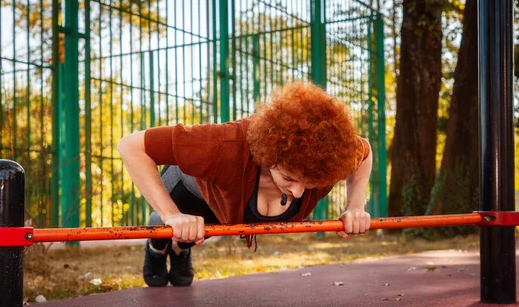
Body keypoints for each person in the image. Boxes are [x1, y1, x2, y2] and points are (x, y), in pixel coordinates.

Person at [118, 81, 372, 287]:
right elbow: (130, 146)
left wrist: (356, 206)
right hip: (190, 186)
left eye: (310, 183)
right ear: (269, 155)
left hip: (224, 206)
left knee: (194, 232)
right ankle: (158, 248)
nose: (298, 192)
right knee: (175, 223)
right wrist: (171, 214)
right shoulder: (223, 144)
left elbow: (365, 152)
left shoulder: (327, 156)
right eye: (290, 178)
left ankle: (181, 250)